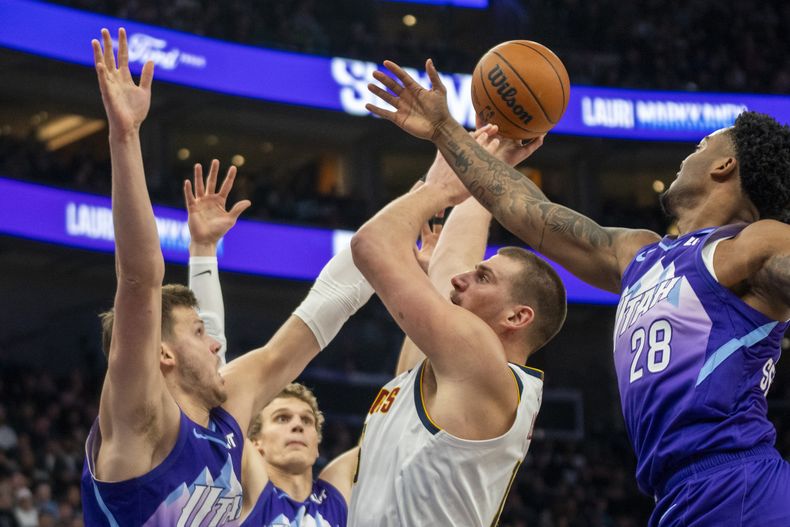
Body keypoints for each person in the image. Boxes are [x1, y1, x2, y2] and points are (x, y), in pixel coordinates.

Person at [365, 59, 790, 526]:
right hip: (675, 495)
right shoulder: (639, 254)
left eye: (701, 145)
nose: (687, 155)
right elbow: (523, 207)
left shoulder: (755, 242)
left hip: (738, 481)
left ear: (725, 165)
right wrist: (445, 129)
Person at [81, 28, 373, 526]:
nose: (217, 345)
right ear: (162, 353)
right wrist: (125, 136)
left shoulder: (226, 421)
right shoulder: (140, 420)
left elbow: (319, 313)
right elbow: (138, 279)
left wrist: (429, 196)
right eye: (198, 334)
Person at [347, 124, 567, 525]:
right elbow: (451, 261)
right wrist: (487, 169)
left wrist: (440, 192)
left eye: (483, 278)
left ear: (516, 317)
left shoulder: (479, 363)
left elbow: (370, 244)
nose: (460, 279)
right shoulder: (450, 367)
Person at [183, 162, 362, 526]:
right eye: (282, 418)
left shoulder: (335, 495)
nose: (297, 426)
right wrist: (203, 250)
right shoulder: (251, 489)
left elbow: (402, 411)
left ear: (317, 443)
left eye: (306, 421)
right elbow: (211, 369)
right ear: (256, 442)